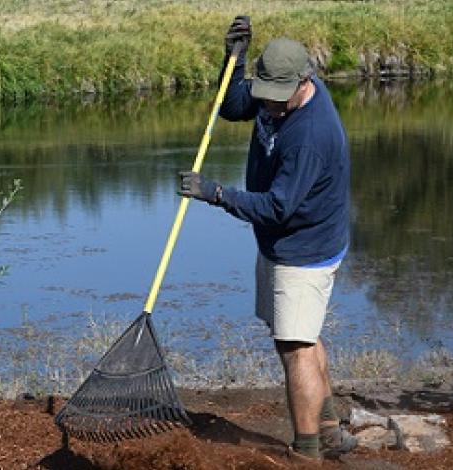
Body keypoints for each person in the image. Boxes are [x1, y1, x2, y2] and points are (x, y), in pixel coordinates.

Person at [178, 16, 358, 460]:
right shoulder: (275, 94)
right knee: (299, 334)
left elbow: (278, 206)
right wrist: (233, 62)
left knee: (296, 347)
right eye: (268, 96)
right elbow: (233, 105)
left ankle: (307, 450)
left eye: (280, 100)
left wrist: (216, 193)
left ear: (305, 80)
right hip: (284, 243)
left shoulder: (310, 136)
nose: (271, 107)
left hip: (304, 248)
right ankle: (330, 428)